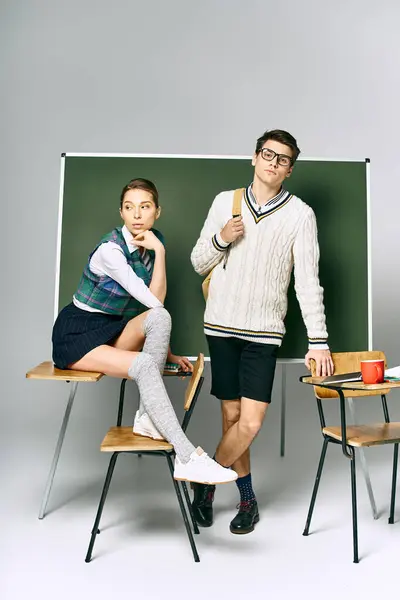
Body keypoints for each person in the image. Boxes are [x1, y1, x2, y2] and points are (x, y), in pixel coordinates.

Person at [190, 129, 334, 533]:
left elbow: (308, 282)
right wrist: (222, 237)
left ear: (289, 170)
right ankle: (247, 502)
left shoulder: (300, 215)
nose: (273, 163)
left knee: (249, 424)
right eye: (267, 155)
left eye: (282, 159)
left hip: (263, 333)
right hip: (220, 326)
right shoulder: (225, 202)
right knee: (231, 419)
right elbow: (199, 260)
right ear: (254, 158)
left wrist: (318, 341)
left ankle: (203, 481)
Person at [52, 177, 237, 486]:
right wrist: (161, 252)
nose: (137, 215)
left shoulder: (151, 243)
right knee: (143, 360)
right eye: (129, 207)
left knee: (160, 321)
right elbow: (153, 300)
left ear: (157, 212)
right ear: (121, 213)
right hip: (78, 334)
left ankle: (147, 417)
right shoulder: (110, 251)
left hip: (110, 330)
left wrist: (168, 352)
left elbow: (154, 314)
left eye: (145, 207)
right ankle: (188, 456)